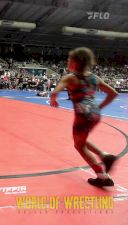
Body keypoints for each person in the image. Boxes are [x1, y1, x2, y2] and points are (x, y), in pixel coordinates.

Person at [50, 47, 118, 187]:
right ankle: (104, 156)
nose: (67, 61)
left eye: (69, 59)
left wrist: (54, 97)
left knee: (79, 146)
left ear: (75, 62)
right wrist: (99, 107)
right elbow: (113, 93)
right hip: (95, 115)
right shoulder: (94, 77)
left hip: (82, 116)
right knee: (82, 140)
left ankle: (102, 176)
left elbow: (56, 90)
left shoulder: (70, 77)